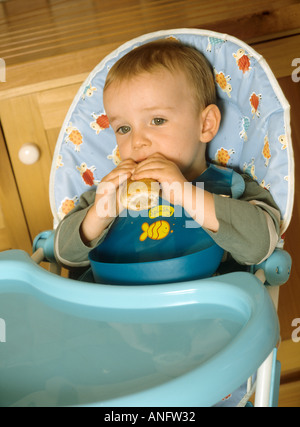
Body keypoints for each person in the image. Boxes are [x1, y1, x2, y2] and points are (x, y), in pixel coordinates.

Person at [54, 39, 281, 274]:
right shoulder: (108, 195)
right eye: (123, 128)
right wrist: (98, 216)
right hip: (118, 304)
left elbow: (260, 246)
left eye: (157, 120)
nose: (137, 141)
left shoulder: (229, 188)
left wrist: (187, 194)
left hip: (202, 307)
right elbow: (64, 256)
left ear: (205, 125)